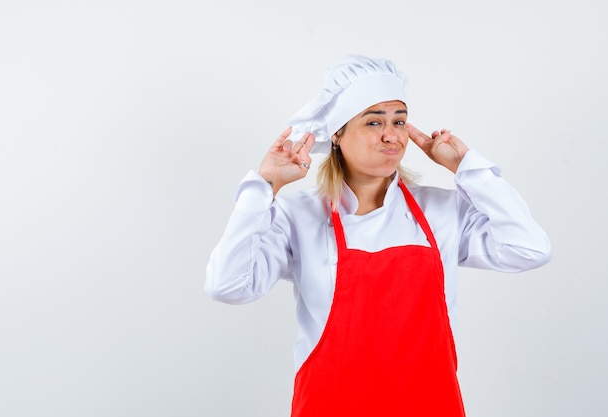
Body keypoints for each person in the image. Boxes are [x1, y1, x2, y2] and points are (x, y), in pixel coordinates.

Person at [205, 55, 551, 416]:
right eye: (374, 122)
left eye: (399, 121)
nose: (392, 135)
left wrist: (467, 168)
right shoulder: (298, 216)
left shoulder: (441, 211)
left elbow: (530, 249)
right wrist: (263, 188)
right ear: (337, 134)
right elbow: (227, 286)